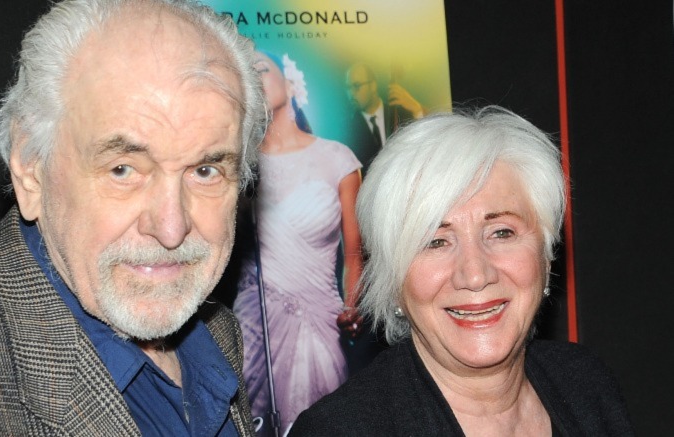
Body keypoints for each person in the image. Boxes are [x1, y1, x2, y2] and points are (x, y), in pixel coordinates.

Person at [0, 0, 267, 435]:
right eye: (123, 169)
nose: (171, 227)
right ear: (31, 171)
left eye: (205, 171)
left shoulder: (216, 336)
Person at [290, 107, 634, 436]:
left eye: (502, 232)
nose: (474, 275)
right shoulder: (340, 430)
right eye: (436, 241)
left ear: (545, 255)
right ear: (392, 280)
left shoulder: (586, 385)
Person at [231, 51, 363, 435]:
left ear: (290, 84)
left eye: (263, 68)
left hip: (321, 320)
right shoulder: (236, 166)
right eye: (247, 72)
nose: (255, 76)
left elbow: (355, 255)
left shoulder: (336, 158)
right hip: (253, 324)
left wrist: (352, 306)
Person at [345, 63, 425, 173]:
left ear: (373, 86)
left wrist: (417, 109)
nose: (351, 94)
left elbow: (421, 147)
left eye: (356, 86)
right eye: (348, 88)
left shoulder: (401, 114)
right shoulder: (347, 130)